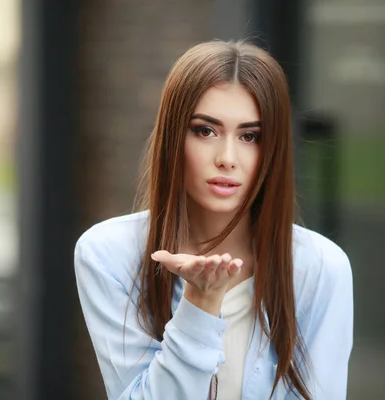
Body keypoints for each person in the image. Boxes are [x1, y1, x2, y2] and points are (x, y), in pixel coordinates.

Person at [74, 39, 353, 400]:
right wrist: (200, 304)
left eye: (250, 136)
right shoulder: (108, 254)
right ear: (174, 137)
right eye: (205, 130)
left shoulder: (320, 267)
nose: (227, 157)